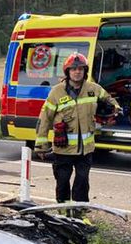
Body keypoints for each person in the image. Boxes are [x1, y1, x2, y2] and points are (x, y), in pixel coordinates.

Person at [34, 53, 120, 215]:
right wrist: (41, 146)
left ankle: (79, 214)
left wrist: (114, 110)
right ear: (67, 72)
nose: (77, 72)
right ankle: (64, 212)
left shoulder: (93, 89)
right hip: (63, 149)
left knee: (82, 182)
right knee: (62, 182)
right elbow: (45, 119)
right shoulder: (57, 92)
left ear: (85, 71)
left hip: (85, 150)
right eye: (73, 69)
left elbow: (110, 101)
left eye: (80, 69)